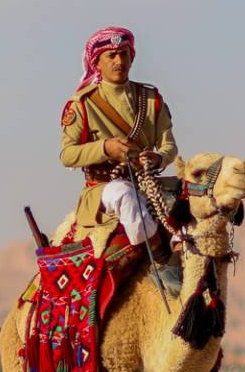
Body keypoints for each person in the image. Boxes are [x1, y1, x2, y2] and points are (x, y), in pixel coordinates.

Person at [58, 26, 178, 258]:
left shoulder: (151, 98)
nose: (119, 60)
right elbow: (67, 155)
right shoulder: (83, 104)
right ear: (97, 63)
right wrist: (105, 148)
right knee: (124, 194)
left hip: (148, 183)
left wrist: (157, 157)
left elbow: (169, 146)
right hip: (104, 189)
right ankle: (157, 257)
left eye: (124, 53)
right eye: (111, 56)